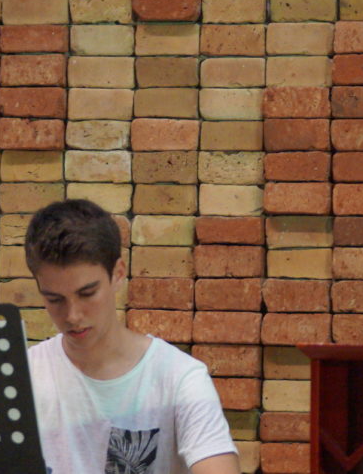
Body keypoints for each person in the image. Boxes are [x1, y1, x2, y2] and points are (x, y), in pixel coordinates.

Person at [25, 199, 239, 474]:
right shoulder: (24, 375)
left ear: (118, 274)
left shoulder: (179, 378)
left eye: (87, 294)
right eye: (55, 299)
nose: (73, 315)